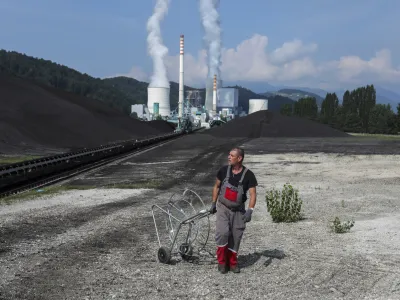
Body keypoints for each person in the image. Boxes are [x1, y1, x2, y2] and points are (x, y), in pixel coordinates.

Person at [209, 147, 258, 274]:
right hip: (223, 208)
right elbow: (217, 186)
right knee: (223, 233)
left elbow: (253, 194)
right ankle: (221, 262)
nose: (228, 157)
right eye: (229, 155)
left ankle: (232, 263)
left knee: (236, 236)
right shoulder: (224, 171)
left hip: (238, 211)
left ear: (239, 158)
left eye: (231, 155)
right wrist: (213, 203)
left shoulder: (249, 175)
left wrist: (250, 211)